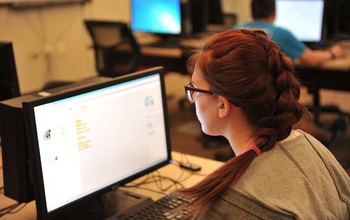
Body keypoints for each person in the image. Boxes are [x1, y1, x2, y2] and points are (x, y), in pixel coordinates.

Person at [178, 29, 350, 219]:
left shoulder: (221, 211)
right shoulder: (311, 144)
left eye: (195, 89)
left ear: (222, 105)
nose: (192, 98)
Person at [233, 0, 348, 146]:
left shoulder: (236, 30)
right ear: (275, 13)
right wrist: (332, 53)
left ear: (251, 13)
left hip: (237, 94)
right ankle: (326, 137)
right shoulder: (281, 33)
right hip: (264, 99)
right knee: (292, 108)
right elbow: (312, 59)